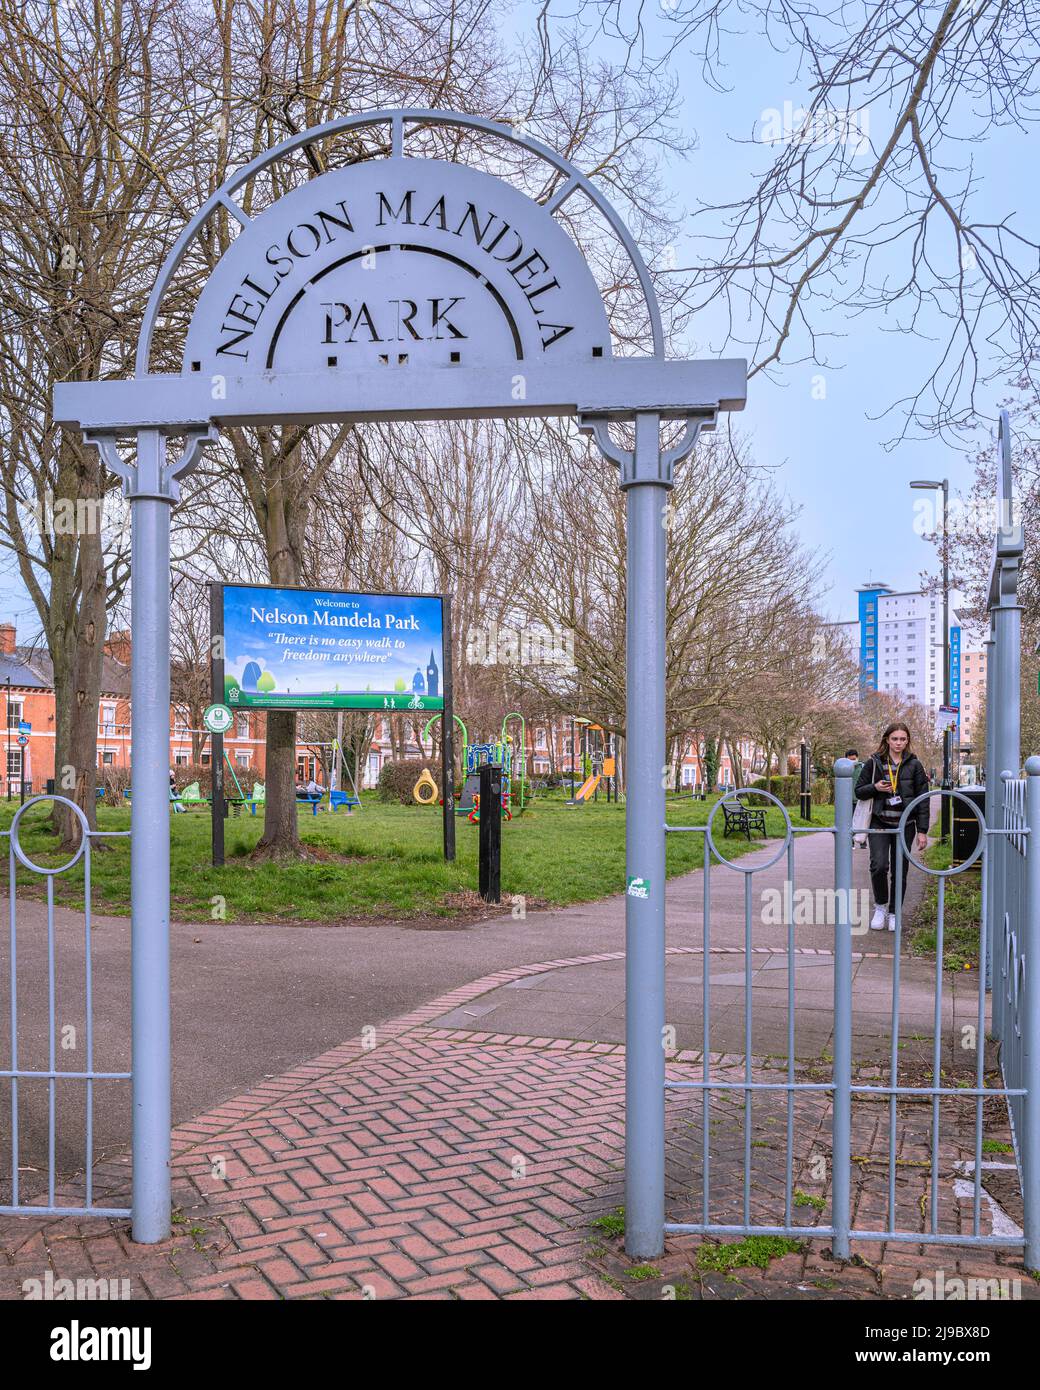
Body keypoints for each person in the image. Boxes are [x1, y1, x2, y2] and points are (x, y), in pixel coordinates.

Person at [855, 722, 930, 932]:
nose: (899, 743)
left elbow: (923, 799)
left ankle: (894, 912)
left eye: (903, 739)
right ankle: (880, 906)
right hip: (879, 822)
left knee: (900, 870)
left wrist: (922, 831)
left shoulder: (915, 765)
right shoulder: (874, 763)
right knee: (879, 866)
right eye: (895, 739)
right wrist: (875, 787)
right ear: (887, 740)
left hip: (905, 825)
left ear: (908, 741)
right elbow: (859, 791)